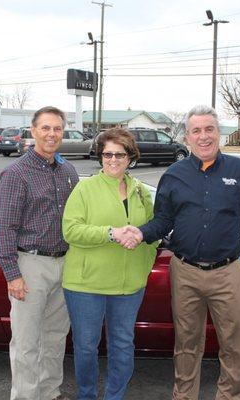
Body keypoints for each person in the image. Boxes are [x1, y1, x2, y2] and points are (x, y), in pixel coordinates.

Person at [122, 105, 240, 400]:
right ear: (187, 137)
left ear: (219, 133)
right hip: (185, 272)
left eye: (209, 129)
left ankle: (230, 396)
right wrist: (140, 233)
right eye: (196, 131)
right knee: (187, 343)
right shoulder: (174, 175)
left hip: (228, 273)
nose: (204, 137)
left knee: (232, 344)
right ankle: (184, 395)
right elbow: (163, 220)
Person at [61, 128, 158, 400]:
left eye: (119, 154)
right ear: (100, 156)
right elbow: (71, 231)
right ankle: (87, 395)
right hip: (86, 285)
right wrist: (111, 233)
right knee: (86, 347)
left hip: (129, 286)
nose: (112, 160)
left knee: (123, 346)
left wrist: (143, 258)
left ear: (130, 158)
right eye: (107, 154)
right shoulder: (85, 189)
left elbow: (152, 233)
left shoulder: (140, 192)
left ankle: (115, 396)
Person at [0, 106, 79, 400]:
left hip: (64, 264)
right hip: (30, 265)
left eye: (57, 128)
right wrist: (12, 274)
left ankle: (49, 393)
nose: (51, 134)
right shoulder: (16, 173)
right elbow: (5, 227)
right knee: (27, 342)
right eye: (45, 128)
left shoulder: (68, 171)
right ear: (33, 131)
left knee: (55, 338)